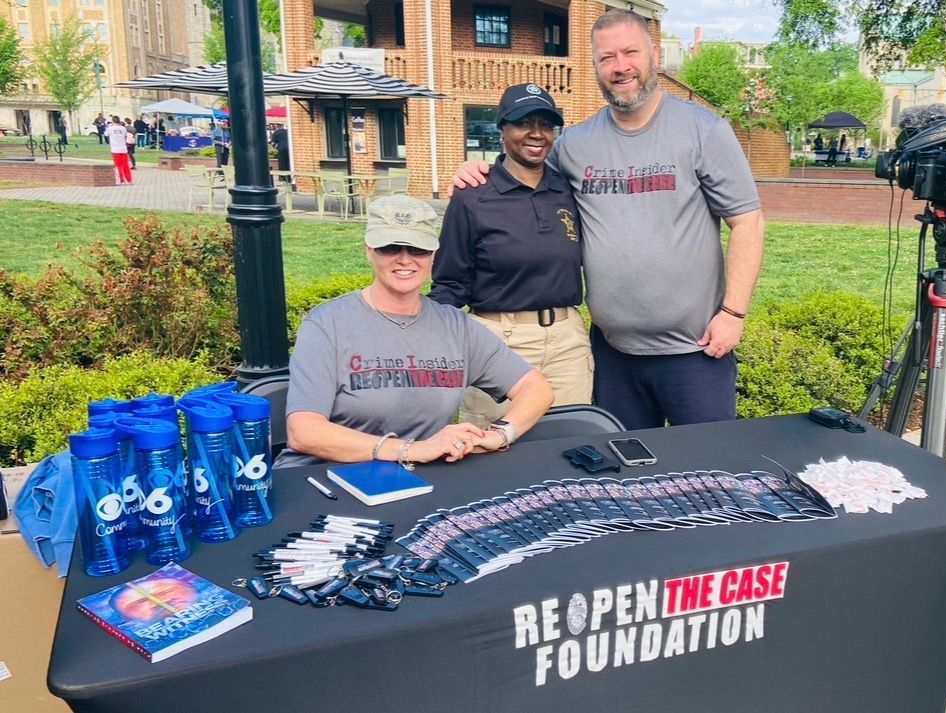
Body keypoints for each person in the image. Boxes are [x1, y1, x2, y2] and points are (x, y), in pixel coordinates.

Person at [453, 9, 766, 430]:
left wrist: (733, 314)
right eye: (606, 58)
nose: (620, 67)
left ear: (654, 54)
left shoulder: (702, 130)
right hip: (613, 356)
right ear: (596, 67)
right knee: (623, 479)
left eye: (630, 52)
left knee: (708, 473)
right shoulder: (576, 144)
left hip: (697, 352)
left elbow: (747, 220)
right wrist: (479, 171)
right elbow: (527, 173)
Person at [276, 195, 555, 469]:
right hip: (322, 478)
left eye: (418, 249)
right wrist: (413, 450)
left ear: (433, 254)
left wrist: (500, 435)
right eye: (390, 247)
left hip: (412, 481)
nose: (405, 259)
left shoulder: (456, 326)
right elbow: (304, 432)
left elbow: (536, 388)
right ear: (368, 250)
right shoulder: (328, 324)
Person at [431, 83, 591, 428]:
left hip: (568, 343)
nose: (536, 134)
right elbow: (449, 283)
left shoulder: (568, 189)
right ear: (502, 128)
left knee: (573, 443)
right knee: (493, 450)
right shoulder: (473, 196)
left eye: (546, 125)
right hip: (500, 342)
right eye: (523, 123)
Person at [105, 116, 132, 185]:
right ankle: (129, 180)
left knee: (118, 165)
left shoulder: (110, 128)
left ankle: (121, 180)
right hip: (123, 148)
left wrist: (108, 126)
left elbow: (105, 134)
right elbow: (125, 136)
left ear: (113, 121)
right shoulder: (123, 128)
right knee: (125, 165)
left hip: (115, 149)